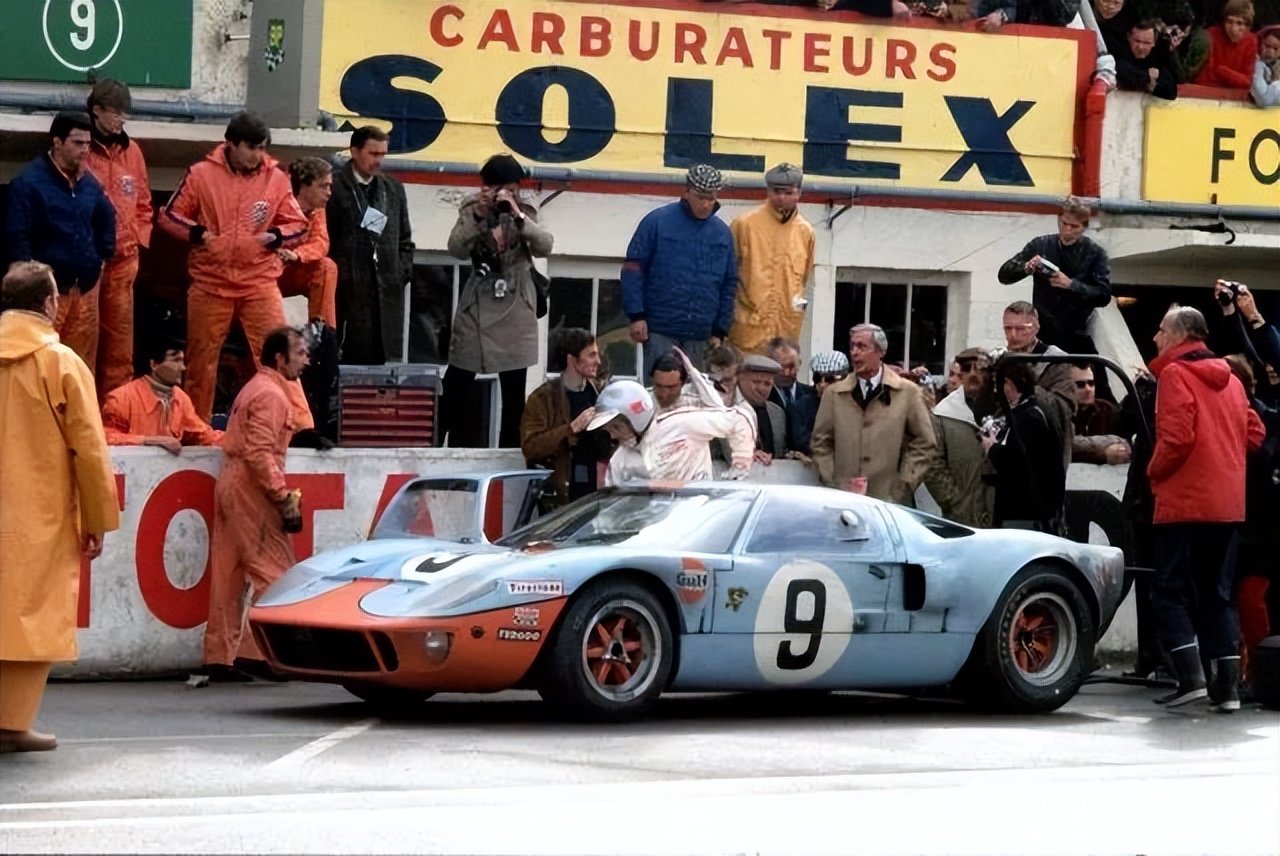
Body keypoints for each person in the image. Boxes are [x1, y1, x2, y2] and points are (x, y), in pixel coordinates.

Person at [0, 262, 120, 753]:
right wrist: (97, 517)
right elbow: (89, 449)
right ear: (49, 304)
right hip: (39, 516)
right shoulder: (61, 363)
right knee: (31, 617)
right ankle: (12, 722)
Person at [159, 112, 312, 427]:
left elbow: (298, 225)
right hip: (210, 283)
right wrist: (200, 235)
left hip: (259, 282)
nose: (258, 154)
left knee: (281, 355)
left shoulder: (276, 178)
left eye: (262, 147)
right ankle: (195, 428)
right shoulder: (201, 174)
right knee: (201, 363)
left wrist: (276, 236)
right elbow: (170, 216)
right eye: (251, 147)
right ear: (231, 144)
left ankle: (297, 426)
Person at [1147, 306, 1265, 711]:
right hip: (1227, 503)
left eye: (1161, 330)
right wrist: (1224, 456)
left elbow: (1177, 438)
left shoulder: (1174, 375)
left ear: (1181, 335)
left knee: (1167, 590)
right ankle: (1227, 689)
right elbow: (1255, 433)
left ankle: (1191, 678)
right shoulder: (1231, 378)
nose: (1156, 338)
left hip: (1185, 500)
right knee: (1217, 593)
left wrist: (1153, 471)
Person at [198, 327, 309, 683]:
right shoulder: (272, 395)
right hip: (252, 488)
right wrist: (281, 496)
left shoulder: (253, 388)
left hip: (232, 482)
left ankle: (220, 657)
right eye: (300, 353)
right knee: (275, 573)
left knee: (228, 573)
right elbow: (260, 454)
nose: (306, 360)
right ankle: (259, 653)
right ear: (280, 357)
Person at [445, 154, 553, 448]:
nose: (506, 193)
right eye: (499, 188)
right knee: (456, 383)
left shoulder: (525, 209)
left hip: (516, 301)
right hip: (480, 297)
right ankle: (451, 447)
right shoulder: (472, 208)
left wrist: (518, 215)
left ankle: (510, 451)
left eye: (511, 188)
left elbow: (545, 246)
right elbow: (456, 249)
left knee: (514, 391)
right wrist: (480, 215)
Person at [4, 112, 115, 370]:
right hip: (46, 295)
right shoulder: (29, 183)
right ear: (57, 142)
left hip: (84, 292)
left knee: (80, 365)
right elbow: (16, 235)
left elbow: (107, 218)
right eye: (78, 143)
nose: (85, 150)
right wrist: (34, 281)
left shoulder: (90, 184)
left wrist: (101, 258)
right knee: (39, 363)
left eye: (88, 144)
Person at [622, 164, 737, 381]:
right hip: (660, 328)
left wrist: (719, 330)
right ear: (686, 192)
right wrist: (636, 315)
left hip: (701, 335)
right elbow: (633, 270)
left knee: (696, 393)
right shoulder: (656, 222)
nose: (705, 204)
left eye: (711, 198)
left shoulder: (723, 233)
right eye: (700, 197)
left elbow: (729, 284)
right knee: (659, 390)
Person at [811, 324, 937, 504]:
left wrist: (903, 484)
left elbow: (925, 443)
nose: (855, 353)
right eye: (852, 346)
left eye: (862, 347)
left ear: (881, 352)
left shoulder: (907, 393)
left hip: (889, 500)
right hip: (843, 498)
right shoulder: (834, 394)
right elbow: (820, 442)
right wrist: (832, 481)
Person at [84, 80, 153, 397]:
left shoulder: (133, 151)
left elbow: (144, 202)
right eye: (115, 112)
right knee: (83, 340)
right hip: (88, 260)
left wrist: (138, 239)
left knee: (120, 345)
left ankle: (115, 413)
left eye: (124, 113)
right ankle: (82, 410)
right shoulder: (82, 148)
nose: (120, 119)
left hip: (124, 260)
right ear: (96, 110)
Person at [327, 126, 415, 365]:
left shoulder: (393, 189)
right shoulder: (334, 187)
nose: (378, 160)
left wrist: (400, 272)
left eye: (382, 154)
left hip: (384, 294)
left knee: (379, 366)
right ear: (355, 152)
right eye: (373, 154)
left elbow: (405, 240)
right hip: (346, 293)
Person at [997, 197, 1113, 357]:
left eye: (1074, 226)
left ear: (1084, 227)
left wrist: (1071, 284)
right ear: (1059, 220)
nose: (1067, 230)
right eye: (1064, 223)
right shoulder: (1041, 244)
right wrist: (1026, 268)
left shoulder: (1095, 253)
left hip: (1075, 335)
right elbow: (1003, 275)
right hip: (1042, 333)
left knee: (1094, 370)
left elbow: (1104, 296)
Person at [587, 379, 755, 485]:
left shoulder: (681, 424)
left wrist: (740, 465)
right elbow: (613, 509)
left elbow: (739, 419)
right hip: (658, 528)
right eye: (609, 431)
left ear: (636, 418)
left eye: (617, 427)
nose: (613, 436)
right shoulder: (619, 461)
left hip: (700, 517)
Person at [728, 164, 815, 356]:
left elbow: (803, 281)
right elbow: (727, 278)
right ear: (767, 191)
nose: (781, 197)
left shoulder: (805, 232)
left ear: (799, 192)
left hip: (786, 336)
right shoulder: (744, 225)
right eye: (776, 191)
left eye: (788, 192)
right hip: (747, 335)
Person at [520, 328, 613, 508]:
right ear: (572, 359)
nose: (598, 361)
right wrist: (570, 430)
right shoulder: (543, 398)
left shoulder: (602, 394)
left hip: (599, 493)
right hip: (561, 496)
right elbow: (530, 448)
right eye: (591, 355)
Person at [982, 358, 1067, 533]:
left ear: (1013, 384)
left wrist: (992, 448)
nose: (996, 390)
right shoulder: (1025, 412)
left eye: (1001, 383)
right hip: (1023, 512)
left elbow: (1017, 464)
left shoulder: (1030, 417)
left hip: (1027, 516)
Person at [102, 341, 223, 452]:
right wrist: (149, 441)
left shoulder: (181, 397)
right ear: (154, 364)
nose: (183, 368)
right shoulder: (121, 398)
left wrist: (231, 439)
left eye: (182, 361)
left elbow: (201, 434)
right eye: (176, 360)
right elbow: (105, 438)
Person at [925, 347, 997, 528]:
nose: (973, 374)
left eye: (979, 368)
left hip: (1002, 514)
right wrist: (953, 500)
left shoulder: (1005, 407)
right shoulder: (944, 413)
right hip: (961, 515)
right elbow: (932, 463)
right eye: (966, 368)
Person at [279, 157, 337, 328]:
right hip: (266, 270)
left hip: (292, 267)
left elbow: (321, 242)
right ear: (305, 185)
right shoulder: (278, 202)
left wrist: (297, 255)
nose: (329, 192)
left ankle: (322, 331)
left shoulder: (317, 209)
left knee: (326, 267)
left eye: (330, 186)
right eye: (323, 186)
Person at [1070, 363, 1131, 464]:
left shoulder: (1107, 409)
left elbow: (1125, 445)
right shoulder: (1060, 414)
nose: (1088, 389)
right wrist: (1101, 452)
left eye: (1091, 383)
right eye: (1080, 385)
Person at [767, 337, 819, 456]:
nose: (786, 373)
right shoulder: (763, 399)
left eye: (791, 366)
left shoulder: (812, 395)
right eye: (781, 368)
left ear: (799, 363)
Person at [1195, 0, 1258, 88]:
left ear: (1248, 27)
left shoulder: (1251, 40)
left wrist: (1221, 70)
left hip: (1234, 93)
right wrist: (1235, 78)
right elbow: (1203, 78)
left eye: (1239, 23)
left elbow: (1247, 82)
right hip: (1207, 90)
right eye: (1229, 22)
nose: (1233, 29)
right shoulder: (1210, 35)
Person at [737, 354, 788, 464]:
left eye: (767, 384)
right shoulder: (727, 410)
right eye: (756, 382)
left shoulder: (777, 413)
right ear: (740, 379)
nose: (761, 388)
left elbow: (780, 450)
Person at [1116, 19, 1181, 97]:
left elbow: (1171, 91)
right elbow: (1121, 71)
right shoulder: (1119, 53)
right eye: (1137, 41)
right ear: (1128, 37)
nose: (1141, 47)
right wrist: (1147, 77)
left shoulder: (1156, 60)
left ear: (1154, 43)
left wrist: (1152, 84)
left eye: (1146, 43)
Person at [1252, 24, 1280, 106]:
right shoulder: (1254, 63)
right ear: (1260, 44)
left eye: (1275, 49)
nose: (1270, 52)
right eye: (1267, 46)